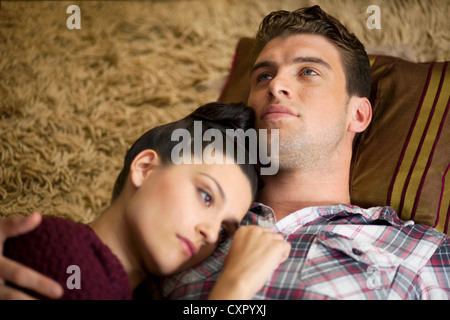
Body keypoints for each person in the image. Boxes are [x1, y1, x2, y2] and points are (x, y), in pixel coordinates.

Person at [1, 5, 449, 300]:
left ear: (360, 114)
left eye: (308, 71)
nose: (276, 85)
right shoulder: (180, 224)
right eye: (262, 76)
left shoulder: (420, 252)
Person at [0, 102, 290, 300]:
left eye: (224, 230)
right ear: (145, 168)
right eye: (205, 196)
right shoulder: (63, 254)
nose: (211, 233)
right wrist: (234, 287)